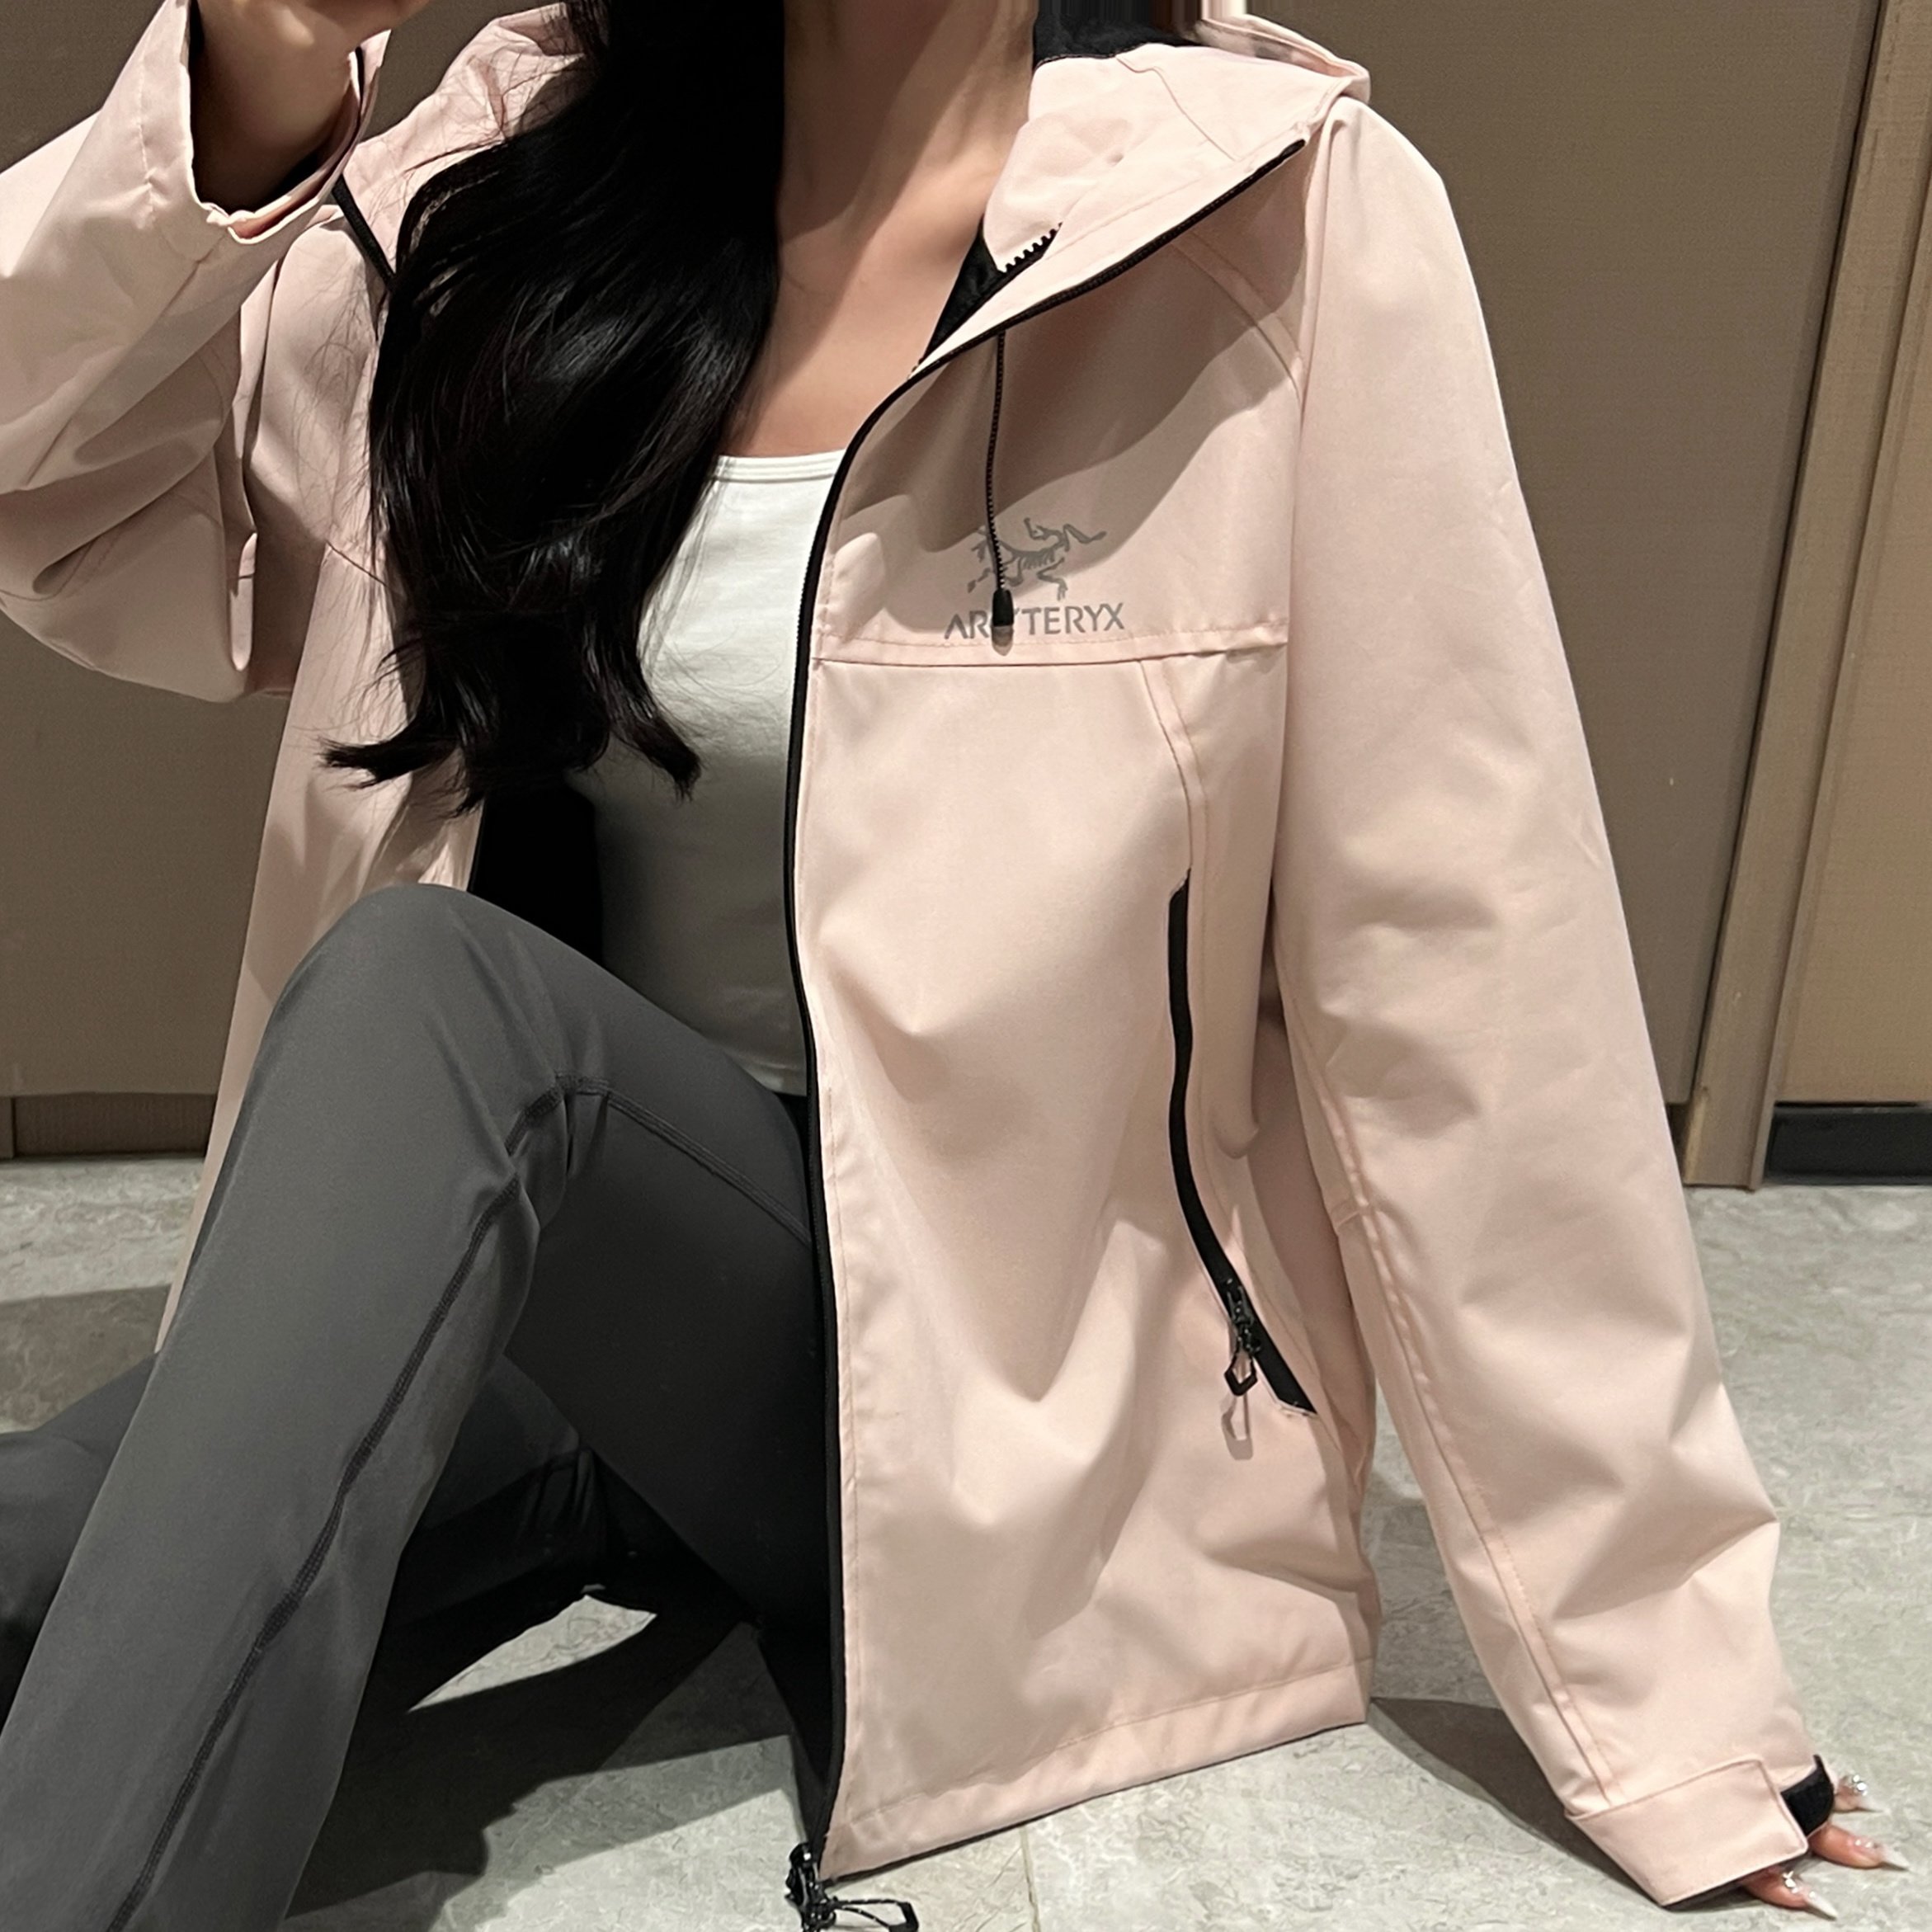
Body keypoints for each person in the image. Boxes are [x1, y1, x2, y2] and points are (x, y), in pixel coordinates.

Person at [0, 0, 1904, 1925]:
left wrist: (1665, 1682)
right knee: (51, 1547)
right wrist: (238, 108)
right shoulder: (507, 183)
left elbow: (1470, 964)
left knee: (436, 1000)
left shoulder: (1265, 221)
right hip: (572, 1298)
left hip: (996, 1409)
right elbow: (60, 496)